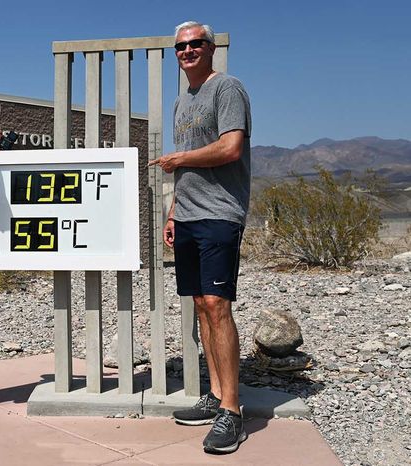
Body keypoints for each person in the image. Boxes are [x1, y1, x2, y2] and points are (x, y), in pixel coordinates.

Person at [148, 21, 252, 454]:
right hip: (188, 215)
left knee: (217, 304)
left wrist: (179, 157)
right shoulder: (181, 102)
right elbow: (187, 169)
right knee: (199, 305)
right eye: (181, 46)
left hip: (220, 213)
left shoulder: (227, 89)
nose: (188, 50)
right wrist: (174, 212)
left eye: (196, 44)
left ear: (209, 48)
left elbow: (231, 148)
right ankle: (214, 395)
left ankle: (233, 411)